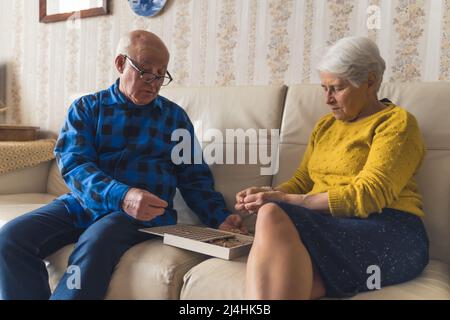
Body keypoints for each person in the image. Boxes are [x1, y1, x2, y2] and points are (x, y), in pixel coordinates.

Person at [0, 30, 245, 300]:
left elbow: (193, 177)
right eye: (146, 72)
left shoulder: (174, 118)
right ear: (120, 64)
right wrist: (122, 195)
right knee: (10, 239)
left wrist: (220, 217)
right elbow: (74, 164)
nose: (154, 83)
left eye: (161, 74)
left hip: (145, 215)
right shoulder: (87, 108)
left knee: (96, 242)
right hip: (83, 204)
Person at [236, 36, 429, 300]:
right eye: (324, 88)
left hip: (390, 230)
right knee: (287, 275)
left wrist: (280, 201)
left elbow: (369, 195)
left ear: (370, 82)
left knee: (272, 214)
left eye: (336, 88)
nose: (327, 99)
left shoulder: (396, 123)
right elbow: (303, 182)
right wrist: (265, 194)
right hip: (332, 228)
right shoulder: (325, 126)